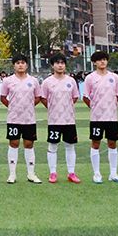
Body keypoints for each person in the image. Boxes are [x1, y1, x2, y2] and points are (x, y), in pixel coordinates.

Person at [82, 51, 118, 184]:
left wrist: (110, 107)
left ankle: (113, 173)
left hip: (112, 117)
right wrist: (95, 108)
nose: (102, 62)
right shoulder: (90, 78)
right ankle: (97, 173)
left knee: (112, 143)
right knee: (96, 143)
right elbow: (85, 97)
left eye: (105, 59)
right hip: (96, 118)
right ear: (94, 62)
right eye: (99, 60)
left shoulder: (114, 77)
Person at [0, 54, 42, 184]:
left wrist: (28, 106)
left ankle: (31, 174)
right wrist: (13, 107)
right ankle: (12, 174)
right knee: (14, 143)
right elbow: (3, 97)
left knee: (29, 144)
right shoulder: (8, 81)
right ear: (14, 65)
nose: (20, 65)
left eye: (23, 62)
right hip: (13, 119)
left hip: (29, 119)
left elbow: (38, 97)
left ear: (27, 65)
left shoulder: (33, 81)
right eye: (18, 63)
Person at [39, 53, 80, 184]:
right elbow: (43, 98)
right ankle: (53, 173)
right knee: (53, 146)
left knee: (70, 146)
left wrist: (66, 108)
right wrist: (53, 108)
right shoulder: (47, 82)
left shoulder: (71, 81)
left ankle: (71, 173)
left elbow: (74, 97)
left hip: (69, 120)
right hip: (54, 120)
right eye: (57, 63)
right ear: (52, 65)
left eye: (62, 63)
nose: (60, 65)